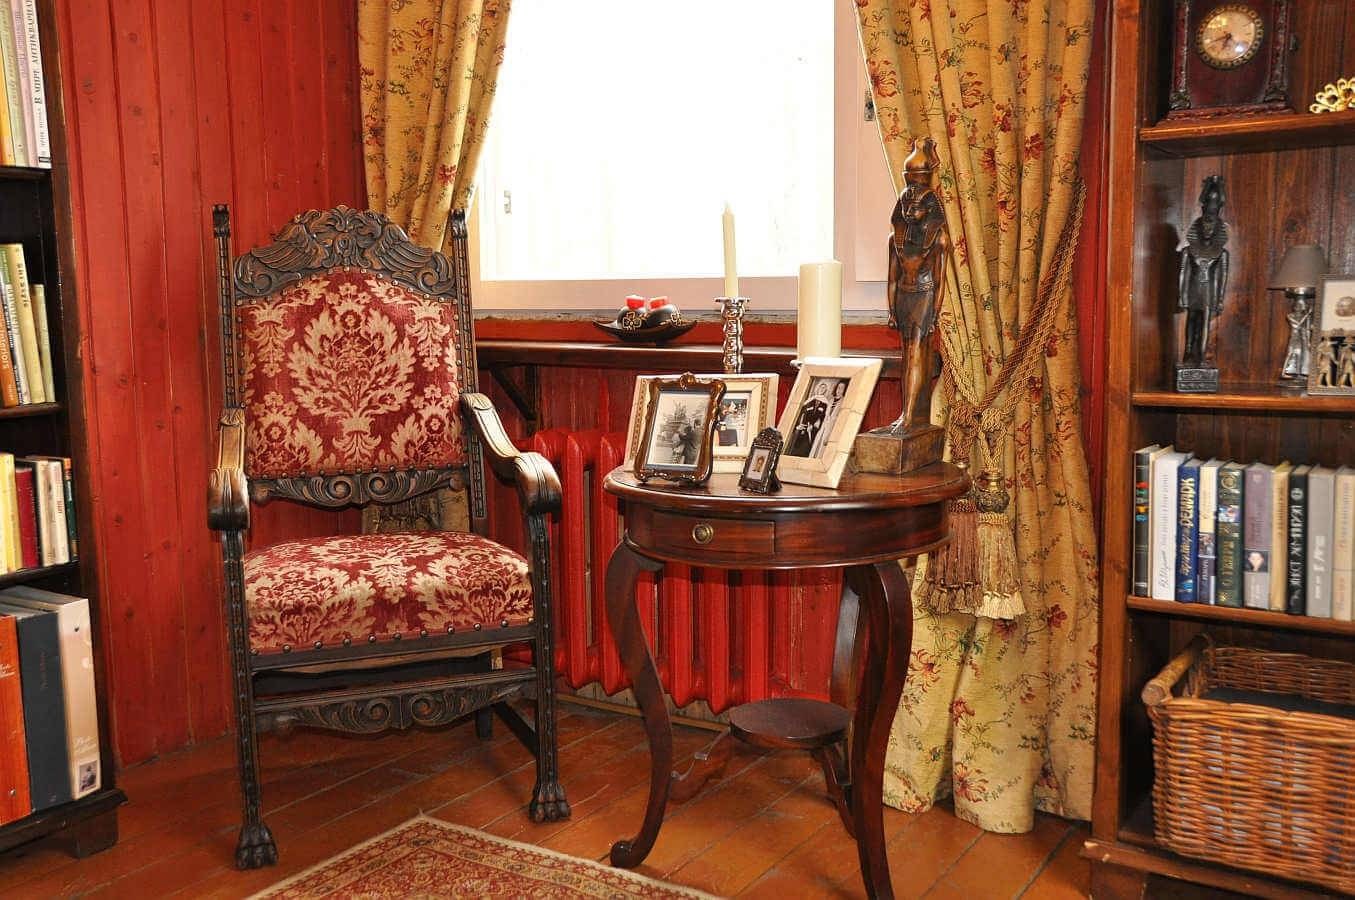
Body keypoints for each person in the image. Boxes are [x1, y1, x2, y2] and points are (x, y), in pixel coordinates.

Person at [786, 381, 831, 457]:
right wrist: (797, 426)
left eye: (824, 388)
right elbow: (800, 414)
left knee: (805, 451)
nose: (822, 389)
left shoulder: (825, 404)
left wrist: (814, 427)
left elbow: (823, 419)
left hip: (812, 432)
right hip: (802, 430)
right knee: (795, 450)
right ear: (818, 388)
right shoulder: (809, 401)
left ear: (825, 391)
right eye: (821, 387)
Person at [809, 380, 848, 458]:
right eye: (838, 387)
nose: (839, 390)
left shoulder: (844, 401)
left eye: (842, 388)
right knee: (816, 445)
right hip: (823, 426)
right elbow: (824, 414)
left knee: (824, 450)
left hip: (833, 429)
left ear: (845, 390)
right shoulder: (830, 400)